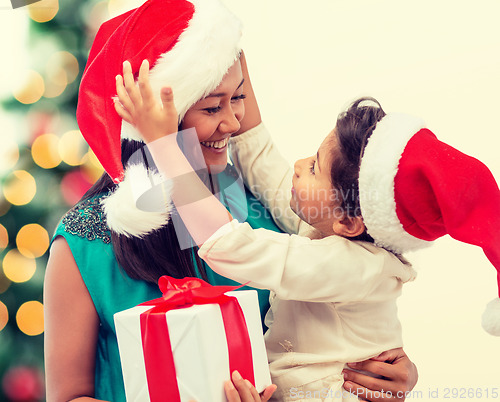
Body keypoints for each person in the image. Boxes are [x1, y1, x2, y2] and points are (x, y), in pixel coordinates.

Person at [44, 0, 419, 402]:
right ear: (155, 125)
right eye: (211, 107)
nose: (233, 120)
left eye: (238, 98)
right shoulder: (84, 241)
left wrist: (389, 368)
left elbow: (330, 330)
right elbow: (68, 396)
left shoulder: (258, 205)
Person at [115, 58, 500, 401]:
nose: (298, 165)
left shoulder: (351, 265)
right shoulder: (336, 227)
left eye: (314, 167)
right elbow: (262, 160)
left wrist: (164, 146)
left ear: (349, 222)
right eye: (217, 103)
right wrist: (228, 49)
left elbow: (230, 245)